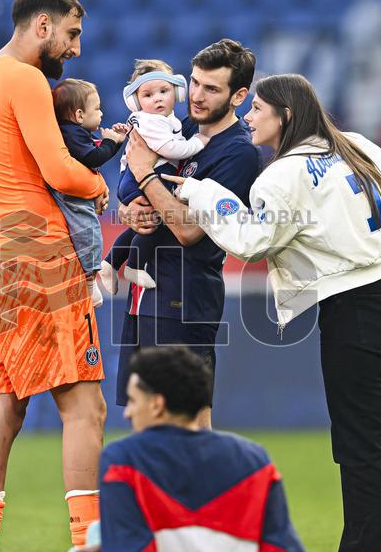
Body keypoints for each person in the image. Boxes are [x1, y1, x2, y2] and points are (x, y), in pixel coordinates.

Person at [149, 74, 381, 552]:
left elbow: (252, 241)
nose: (249, 117)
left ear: (287, 116)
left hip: (351, 305)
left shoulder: (281, 175)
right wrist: (375, 243)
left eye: (258, 108)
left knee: (358, 443)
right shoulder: (354, 145)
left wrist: (202, 191)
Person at [0, 0, 109, 552]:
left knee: (1, 406)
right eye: (71, 34)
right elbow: (60, 169)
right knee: (84, 407)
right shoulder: (25, 80)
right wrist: (100, 188)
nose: (74, 47)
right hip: (42, 256)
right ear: (42, 25)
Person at [56, 346, 327, 552]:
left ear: (157, 405)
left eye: (133, 401)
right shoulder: (254, 461)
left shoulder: (124, 461)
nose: (127, 412)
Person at [115, 39, 260, 428]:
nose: (196, 95)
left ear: (238, 96)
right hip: (146, 291)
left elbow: (189, 230)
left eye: (211, 88)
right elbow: (133, 183)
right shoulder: (181, 128)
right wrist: (130, 211)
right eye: (194, 82)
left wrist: (145, 174)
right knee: (143, 414)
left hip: (186, 295)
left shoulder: (238, 153)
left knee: (187, 418)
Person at [99, 59, 209, 293]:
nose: (157, 98)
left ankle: (110, 263)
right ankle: (134, 266)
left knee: (145, 223)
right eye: (148, 95)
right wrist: (197, 143)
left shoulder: (164, 120)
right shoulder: (151, 121)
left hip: (135, 178)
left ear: (177, 92)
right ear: (136, 101)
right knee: (159, 218)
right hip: (140, 178)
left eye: (163, 91)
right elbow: (169, 148)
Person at [51, 78, 128, 306]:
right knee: (89, 231)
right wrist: (110, 143)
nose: (101, 113)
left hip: (74, 192)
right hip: (70, 196)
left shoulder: (75, 132)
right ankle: (89, 282)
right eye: (97, 108)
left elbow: (94, 151)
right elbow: (94, 158)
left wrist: (115, 141)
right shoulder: (72, 134)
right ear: (79, 115)